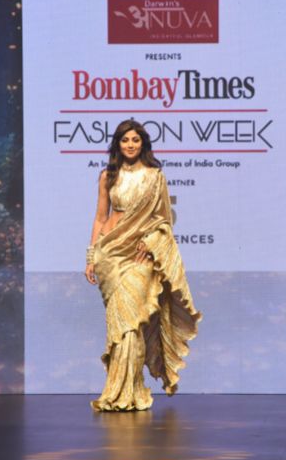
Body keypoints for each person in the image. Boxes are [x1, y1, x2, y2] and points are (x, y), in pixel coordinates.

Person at [85, 119, 202, 411]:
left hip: (140, 255)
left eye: (135, 140)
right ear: (118, 144)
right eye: (125, 140)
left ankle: (131, 390)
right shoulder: (107, 176)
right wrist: (91, 256)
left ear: (143, 143)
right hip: (110, 255)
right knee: (119, 324)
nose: (130, 145)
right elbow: (100, 218)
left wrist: (150, 243)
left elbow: (163, 220)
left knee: (132, 322)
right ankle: (118, 390)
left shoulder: (155, 177)